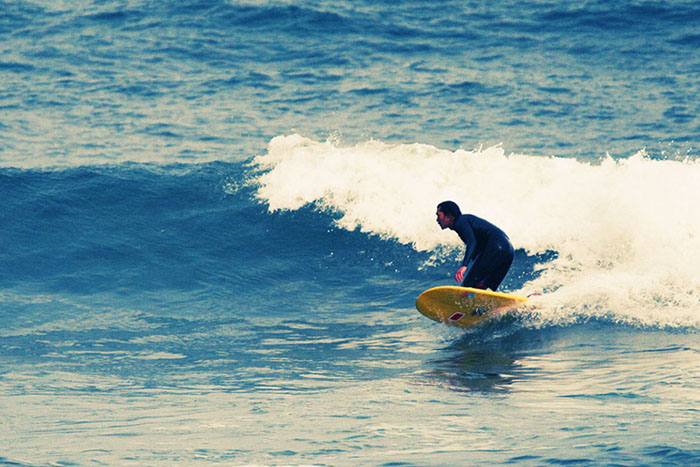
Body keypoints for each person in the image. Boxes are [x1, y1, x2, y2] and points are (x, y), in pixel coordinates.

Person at [436, 201, 514, 291]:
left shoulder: (460, 222)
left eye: (439, 215)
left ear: (449, 217)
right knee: (487, 289)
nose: (437, 220)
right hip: (508, 250)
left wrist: (464, 265)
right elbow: (477, 248)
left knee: (468, 286)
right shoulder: (466, 221)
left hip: (496, 247)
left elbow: (471, 242)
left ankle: (460, 302)